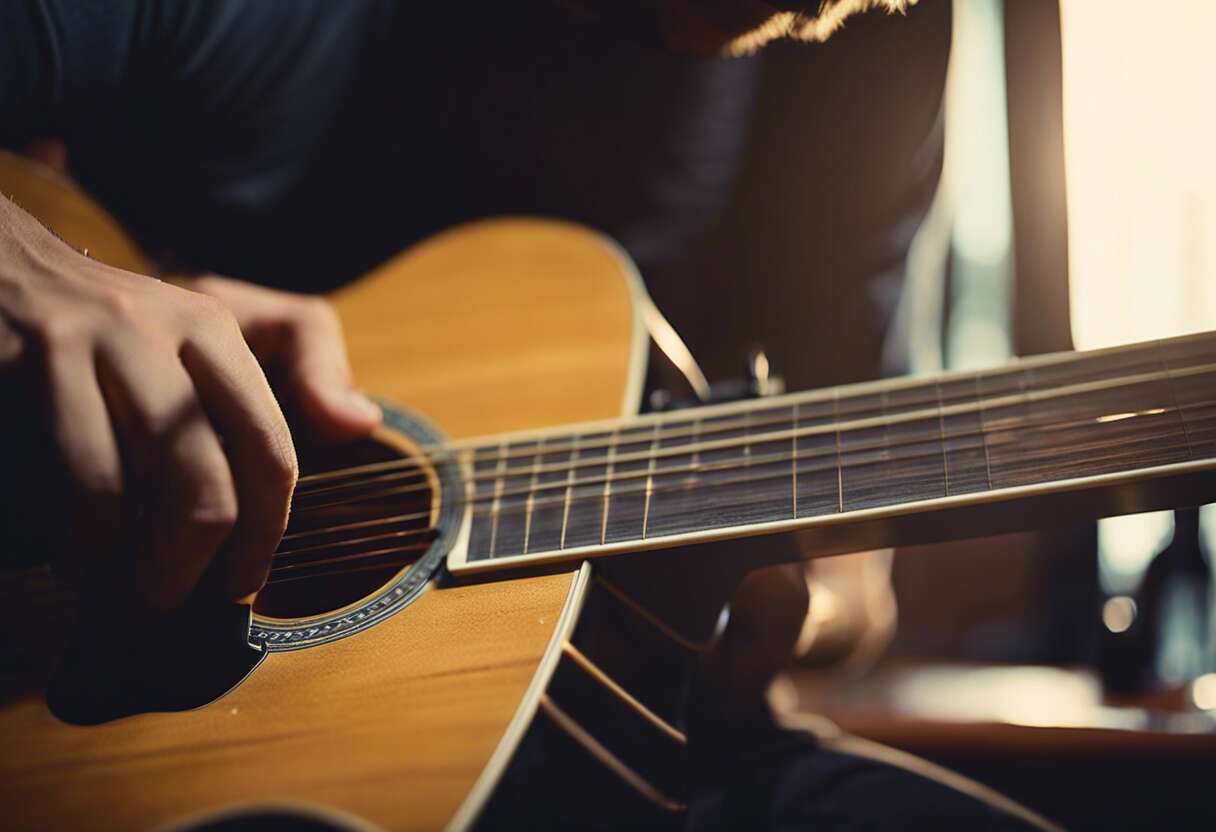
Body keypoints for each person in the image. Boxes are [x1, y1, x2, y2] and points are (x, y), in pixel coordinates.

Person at [0, 1, 1056, 828]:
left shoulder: (871, 42)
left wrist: (792, 610)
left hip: (627, 738)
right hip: (120, 725)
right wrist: (28, 267)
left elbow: (854, 580)